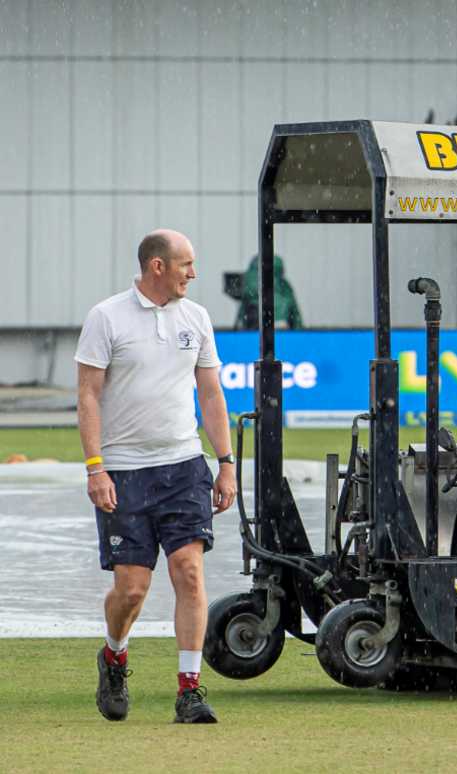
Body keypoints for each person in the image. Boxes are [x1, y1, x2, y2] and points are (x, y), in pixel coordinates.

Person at [78, 229, 235, 724]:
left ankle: (189, 690)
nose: (194, 273)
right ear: (158, 267)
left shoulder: (198, 318)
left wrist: (226, 462)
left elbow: (210, 394)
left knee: (189, 573)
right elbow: (87, 396)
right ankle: (114, 656)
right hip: (123, 473)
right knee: (132, 591)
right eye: (186, 264)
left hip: (184, 466)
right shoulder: (106, 317)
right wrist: (95, 468)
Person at [234, 253, 303, 331]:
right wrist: (300, 333)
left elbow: (243, 309)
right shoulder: (283, 284)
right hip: (280, 329)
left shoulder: (245, 282)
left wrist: (239, 329)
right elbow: (294, 312)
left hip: (252, 331)